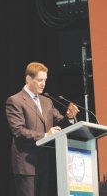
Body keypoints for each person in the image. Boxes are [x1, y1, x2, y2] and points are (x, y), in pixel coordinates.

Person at [5, 62, 79, 196]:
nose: (43, 84)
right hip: (27, 165)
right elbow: (18, 131)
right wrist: (46, 135)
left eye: (45, 80)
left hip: (45, 164)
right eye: (39, 80)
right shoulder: (15, 101)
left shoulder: (47, 101)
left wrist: (69, 116)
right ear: (28, 79)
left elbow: (59, 122)